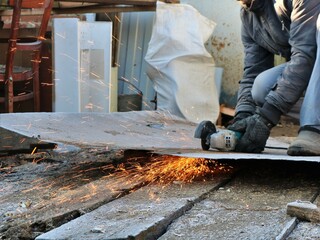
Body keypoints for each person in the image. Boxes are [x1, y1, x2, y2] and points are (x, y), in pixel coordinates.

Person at [228, 0, 320, 155]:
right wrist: (242, 116)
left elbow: (305, 55)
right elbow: (253, 70)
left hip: (310, 59)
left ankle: (315, 129)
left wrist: (267, 117)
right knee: (261, 87)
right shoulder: (248, 15)